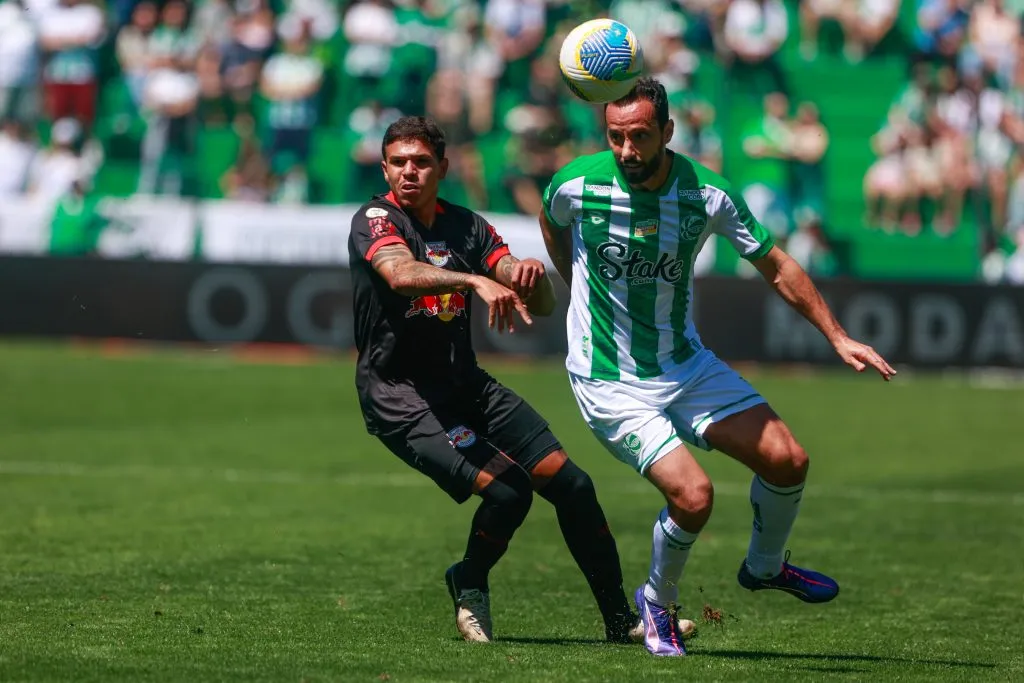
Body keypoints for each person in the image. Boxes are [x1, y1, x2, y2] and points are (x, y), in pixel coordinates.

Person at [538, 78, 896, 657]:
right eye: (616, 138)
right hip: (608, 379)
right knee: (695, 496)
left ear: (668, 132)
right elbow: (552, 221)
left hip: (685, 364)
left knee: (788, 460)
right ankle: (656, 603)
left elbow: (775, 265)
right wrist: (575, 282)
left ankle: (765, 566)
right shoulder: (576, 183)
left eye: (640, 137)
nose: (627, 151)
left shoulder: (707, 194)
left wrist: (837, 336)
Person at [348, 115, 642, 644]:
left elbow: (542, 300)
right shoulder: (375, 218)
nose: (408, 173)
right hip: (403, 398)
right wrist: (474, 280)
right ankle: (470, 583)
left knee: (573, 486)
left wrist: (525, 274)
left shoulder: (468, 225)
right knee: (509, 493)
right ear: (386, 167)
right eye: (397, 162)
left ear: (442, 166)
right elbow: (400, 273)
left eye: (420, 162)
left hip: (466, 384)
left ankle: (621, 622)